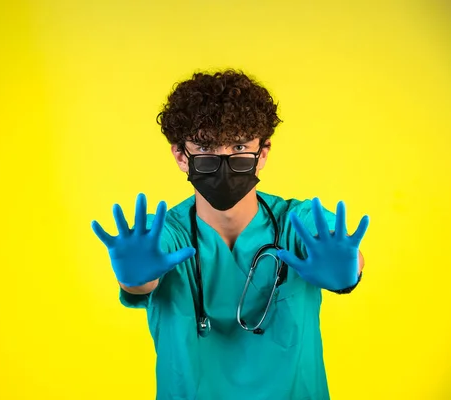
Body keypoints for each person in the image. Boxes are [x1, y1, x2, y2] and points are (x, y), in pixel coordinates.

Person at [91, 69, 369, 400]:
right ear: (181, 155)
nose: (224, 159)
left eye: (239, 145)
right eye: (206, 146)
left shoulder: (297, 222)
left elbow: (338, 250)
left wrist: (347, 271)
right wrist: (134, 278)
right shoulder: (165, 234)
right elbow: (143, 278)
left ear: (262, 152)